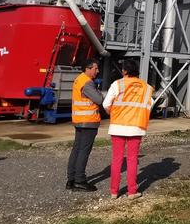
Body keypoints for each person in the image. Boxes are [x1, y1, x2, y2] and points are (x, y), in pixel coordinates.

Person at [103, 58, 154, 200]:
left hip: (118, 126)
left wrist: (113, 112)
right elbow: (151, 104)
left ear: (124, 70)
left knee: (117, 159)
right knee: (132, 159)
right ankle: (132, 191)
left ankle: (114, 191)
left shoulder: (117, 84)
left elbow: (106, 103)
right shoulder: (146, 87)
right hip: (136, 127)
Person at [66, 59, 104, 192]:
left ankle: (71, 179)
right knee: (83, 151)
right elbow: (99, 99)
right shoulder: (87, 83)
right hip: (88, 121)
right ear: (88, 69)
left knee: (76, 149)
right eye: (96, 68)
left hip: (79, 120)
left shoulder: (79, 79)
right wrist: (100, 92)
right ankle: (80, 180)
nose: (97, 71)